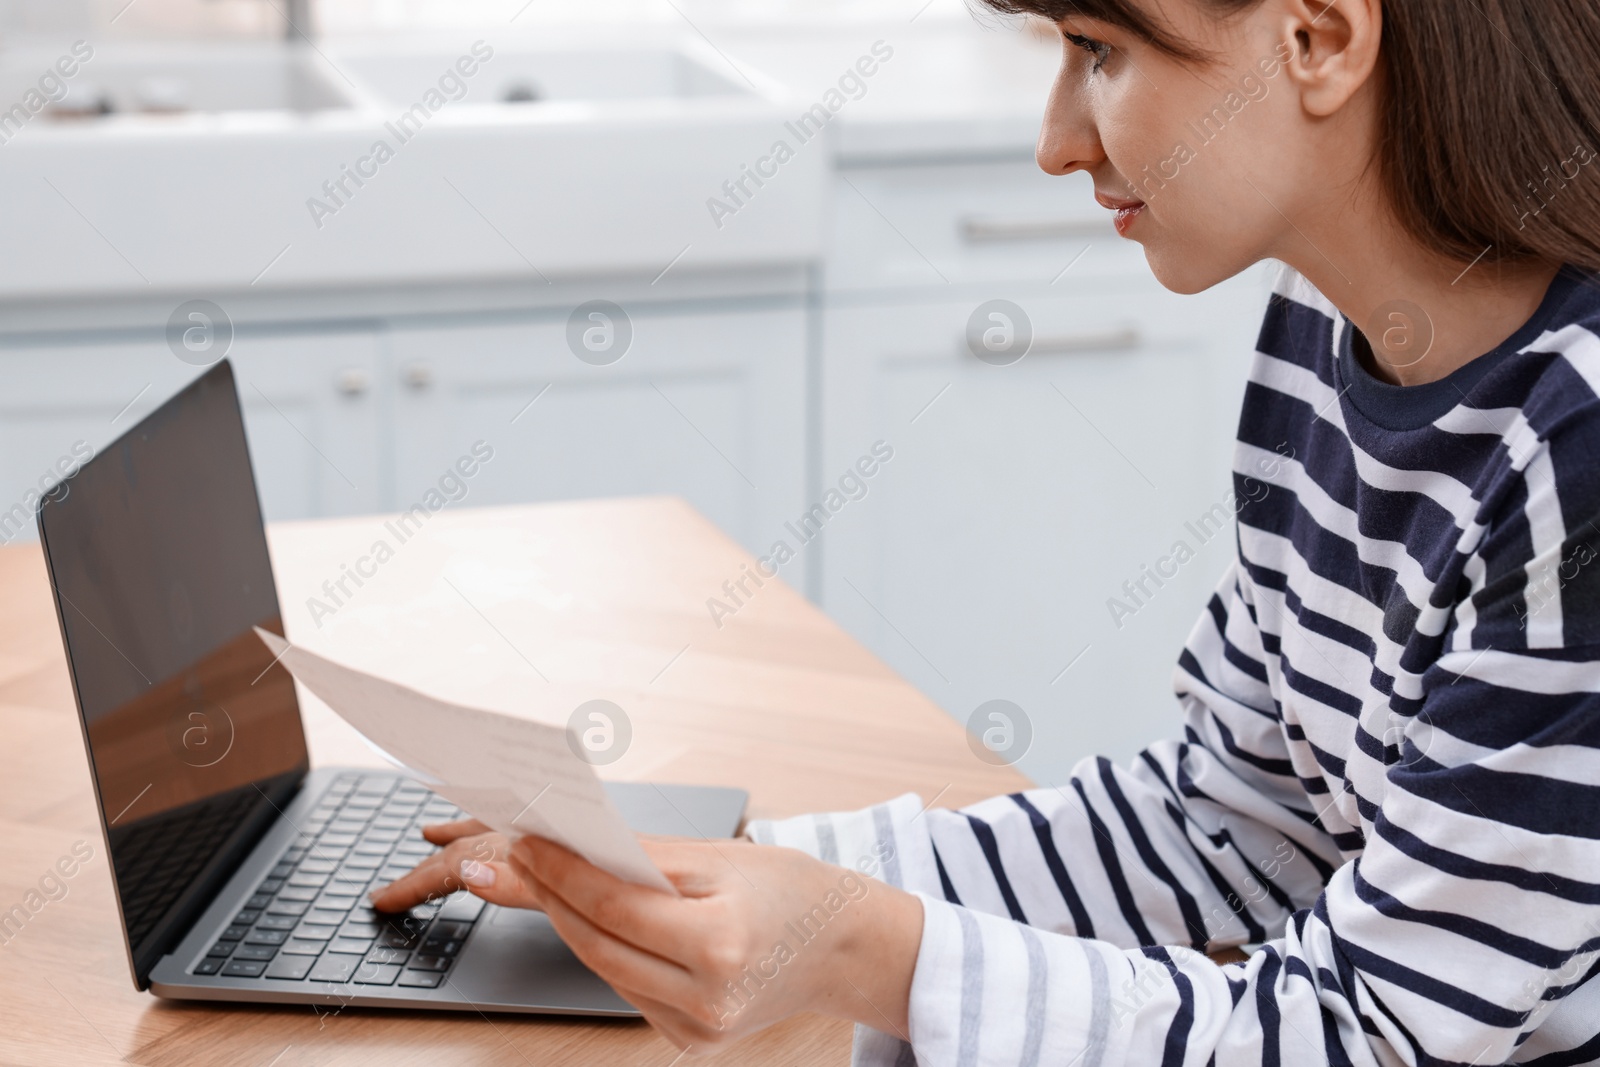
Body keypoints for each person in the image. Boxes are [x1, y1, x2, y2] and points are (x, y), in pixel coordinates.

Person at [370, 0, 1600, 1062]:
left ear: (1317, 37)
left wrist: (864, 945)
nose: (1056, 141)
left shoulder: (1574, 455)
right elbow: (1233, 820)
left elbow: (1372, 1033)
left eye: (1098, 51)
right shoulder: (1323, 338)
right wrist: (696, 871)